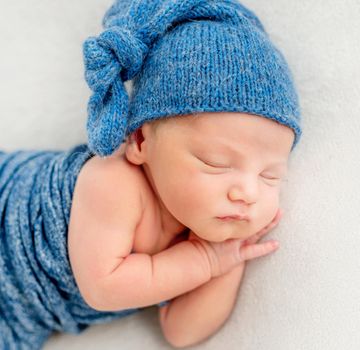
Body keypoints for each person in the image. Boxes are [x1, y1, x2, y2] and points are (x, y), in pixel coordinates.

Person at [0, 0, 302, 349]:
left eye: (270, 176)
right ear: (140, 141)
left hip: (22, 313)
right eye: (216, 163)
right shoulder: (112, 182)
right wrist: (204, 260)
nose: (247, 191)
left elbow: (182, 332)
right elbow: (103, 287)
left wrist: (229, 257)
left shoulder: (197, 220)